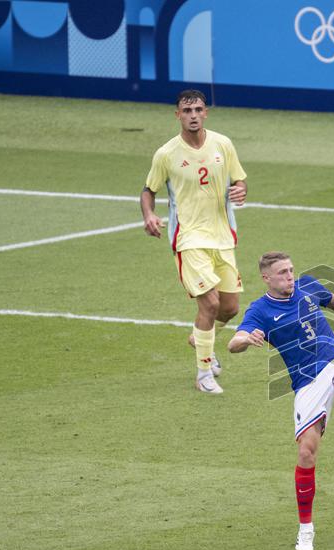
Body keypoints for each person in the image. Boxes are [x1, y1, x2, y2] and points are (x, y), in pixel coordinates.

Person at [228, 252, 334, 550]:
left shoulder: (307, 286)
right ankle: (305, 529)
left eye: (291, 270)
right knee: (307, 452)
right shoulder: (260, 310)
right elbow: (234, 343)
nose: (290, 276)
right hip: (307, 381)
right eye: (282, 272)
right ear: (266, 278)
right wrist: (246, 339)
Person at [142, 89, 248, 394]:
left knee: (229, 308)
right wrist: (149, 215)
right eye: (186, 111)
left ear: (206, 113)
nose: (193, 115)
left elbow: (239, 180)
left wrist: (241, 190)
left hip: (223, 236)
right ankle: (203, 374)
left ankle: (201, 337)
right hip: (188, 238)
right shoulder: (166, 154)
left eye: (198, 110)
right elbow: (148, 190)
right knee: (210, 303)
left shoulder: (223, 144)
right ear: (178, 115)